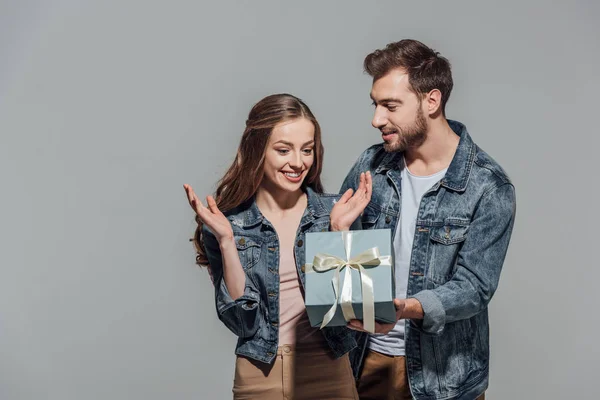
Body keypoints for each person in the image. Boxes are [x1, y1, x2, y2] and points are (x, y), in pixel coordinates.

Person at [333, 39, 517, 400]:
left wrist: (408, 309)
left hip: (444, 378)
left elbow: (475, 287)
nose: (376, 119)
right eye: (375, 104)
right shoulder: (370, 165)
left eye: (390, 106)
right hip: (365, 362)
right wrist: (338, 231)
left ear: (431, 101)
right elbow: (338, 270)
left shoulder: (488, 186)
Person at [183, 93, 371, 399]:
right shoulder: (229, 224)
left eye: (307, 150)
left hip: (328, 367)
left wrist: (339, 232)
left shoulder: (336, 212)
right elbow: (241, 321)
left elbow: (354, 315)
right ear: (258, 150)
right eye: (284, 150)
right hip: (259, 371)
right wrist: (227, 241)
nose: (298, 163)